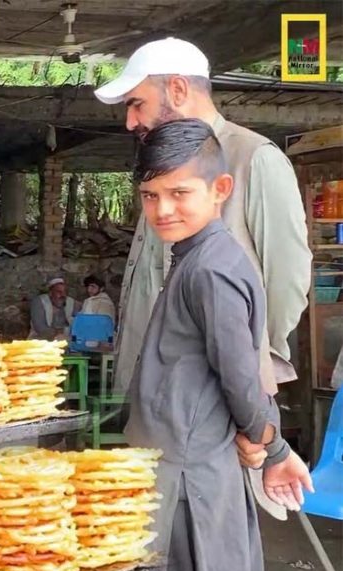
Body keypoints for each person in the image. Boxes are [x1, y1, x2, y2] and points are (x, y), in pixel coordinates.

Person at [123, 119, 313, 571]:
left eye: (180, 193)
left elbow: (240, 375)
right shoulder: (195, 257)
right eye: (151, 195)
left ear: (220, 190)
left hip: (191, 476)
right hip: (184, 464)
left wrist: (273, 446)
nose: (163, 209)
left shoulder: (211, 268)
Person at [94, 37, 311, 394]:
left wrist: (249, 365)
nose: (130, 122)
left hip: (217, 392)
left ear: (177, 89)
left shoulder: (254, 158)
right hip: (154, 392)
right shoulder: (163, 165)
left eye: (136, 104)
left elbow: (287, 279)